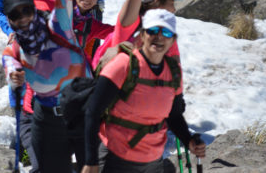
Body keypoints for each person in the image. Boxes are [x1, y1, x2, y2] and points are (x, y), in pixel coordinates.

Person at [2, 0, 91, 173]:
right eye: (15, 15)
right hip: (46, 120)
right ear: (9, 21)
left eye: (25, 11)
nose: (22, 18)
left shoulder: (59, 26)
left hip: (81, 113)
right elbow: (9, 66)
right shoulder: (14, 50)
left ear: (34, 10)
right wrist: (14, 76)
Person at [82, 9, 206, 173]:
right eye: (153, 30)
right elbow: (92, 112)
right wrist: (91, 161)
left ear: (173, 40)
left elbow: (174, 115)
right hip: (115, 158)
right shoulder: (123, 65)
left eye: (166, 32)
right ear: (141, 35)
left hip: (152, 160)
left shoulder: (173, 72)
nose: (159, 37)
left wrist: (188, 140)